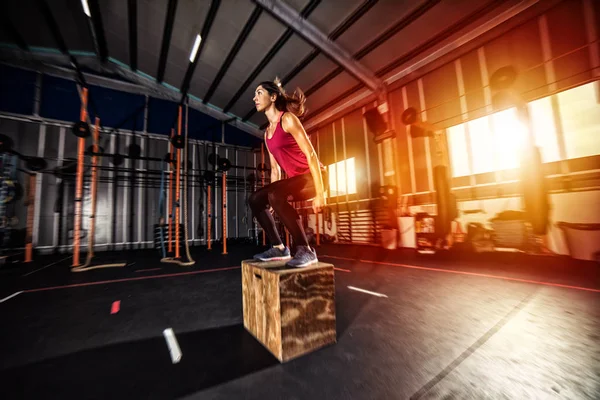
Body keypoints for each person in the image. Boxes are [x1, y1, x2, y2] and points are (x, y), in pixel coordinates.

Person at [249, 78, 326, 267]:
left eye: (259, 93)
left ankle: (306, 250)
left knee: (275, 194)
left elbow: (311, 154)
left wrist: (321, 192)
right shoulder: (267, 134)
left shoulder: (288, 119)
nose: (254, 98)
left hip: (313, 177)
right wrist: (271, 199)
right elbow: (275, 171)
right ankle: (279, 248)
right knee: (255, 199)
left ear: (273, 96)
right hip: (295, 181)